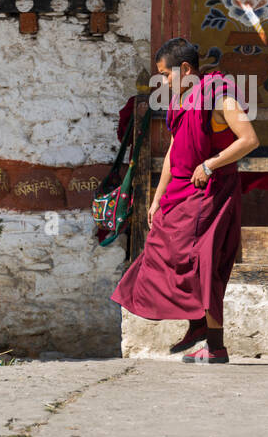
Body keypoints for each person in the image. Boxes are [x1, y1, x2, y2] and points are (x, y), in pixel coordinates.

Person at [111, 38, 259, 363]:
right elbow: (172, 154)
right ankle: (198, 327)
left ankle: (215, 346)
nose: (162, 82)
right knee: (161, 253)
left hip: (210, 194)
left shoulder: (219, 98)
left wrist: (210, 164)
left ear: (186, 70)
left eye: (165, 75)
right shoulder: (182, 101)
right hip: (181, 193)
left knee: (204, 265)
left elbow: (249, 139)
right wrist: (157, 197)